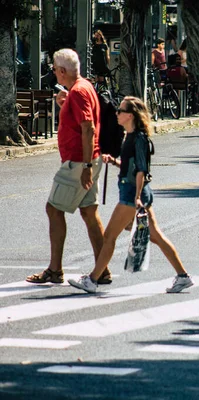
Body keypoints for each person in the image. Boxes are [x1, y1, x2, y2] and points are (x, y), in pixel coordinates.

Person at [68, 96, 195, 294]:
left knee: (109, 236)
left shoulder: (139, 139)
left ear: (130, 115)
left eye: (120, 111)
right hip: (137, 193)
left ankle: (92, 280)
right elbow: (132, 167)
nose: (117, 114)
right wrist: (116, 162)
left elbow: (141, 171)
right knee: (156, 236)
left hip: (132, 195)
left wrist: (136, 197)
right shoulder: (131, 136)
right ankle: (183, 276)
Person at [26, 49, 107, 285]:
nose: (54, 73)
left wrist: (86, 166)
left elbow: (88, 127)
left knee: (53, 209)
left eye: (54, 69)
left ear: (62, 71)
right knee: (89, 212)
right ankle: (102, 269)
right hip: (86, 159)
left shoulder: (79, 92)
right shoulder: (83, 87)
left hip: (78, 161)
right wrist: (65, 103)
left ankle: (55, 269)